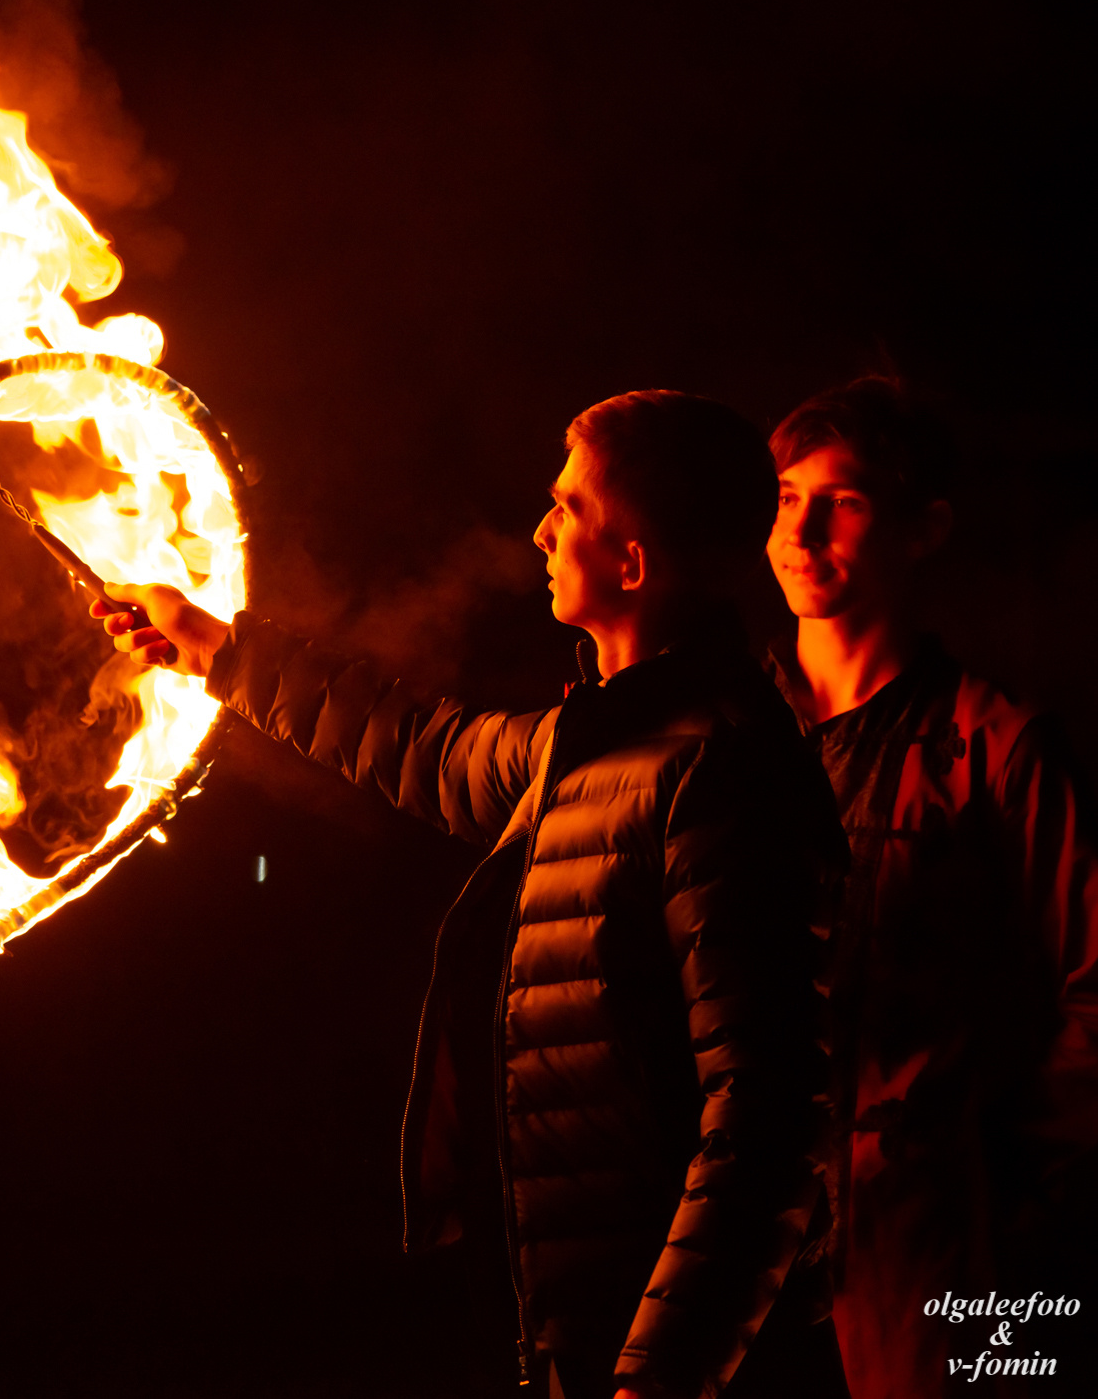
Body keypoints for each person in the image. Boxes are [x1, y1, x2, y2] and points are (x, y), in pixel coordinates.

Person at [96, 391, 845, 1399]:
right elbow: (423, 745)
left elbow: (766, 1123)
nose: (539, 531)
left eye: (567, 509)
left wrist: (657, 1377)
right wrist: (212, 645)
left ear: (630, 565)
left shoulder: (720, 776)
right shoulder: (589, 746)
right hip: (581, 1328)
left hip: (675, 1361)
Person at [766, 377, 1093, 1397]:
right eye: (785, 498)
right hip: (736, 1258)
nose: (803, 529)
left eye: (845, 501)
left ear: (923, 529)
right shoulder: (727, 737)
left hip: (932, 1262)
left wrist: (1017, 1199)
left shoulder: (996, 749)